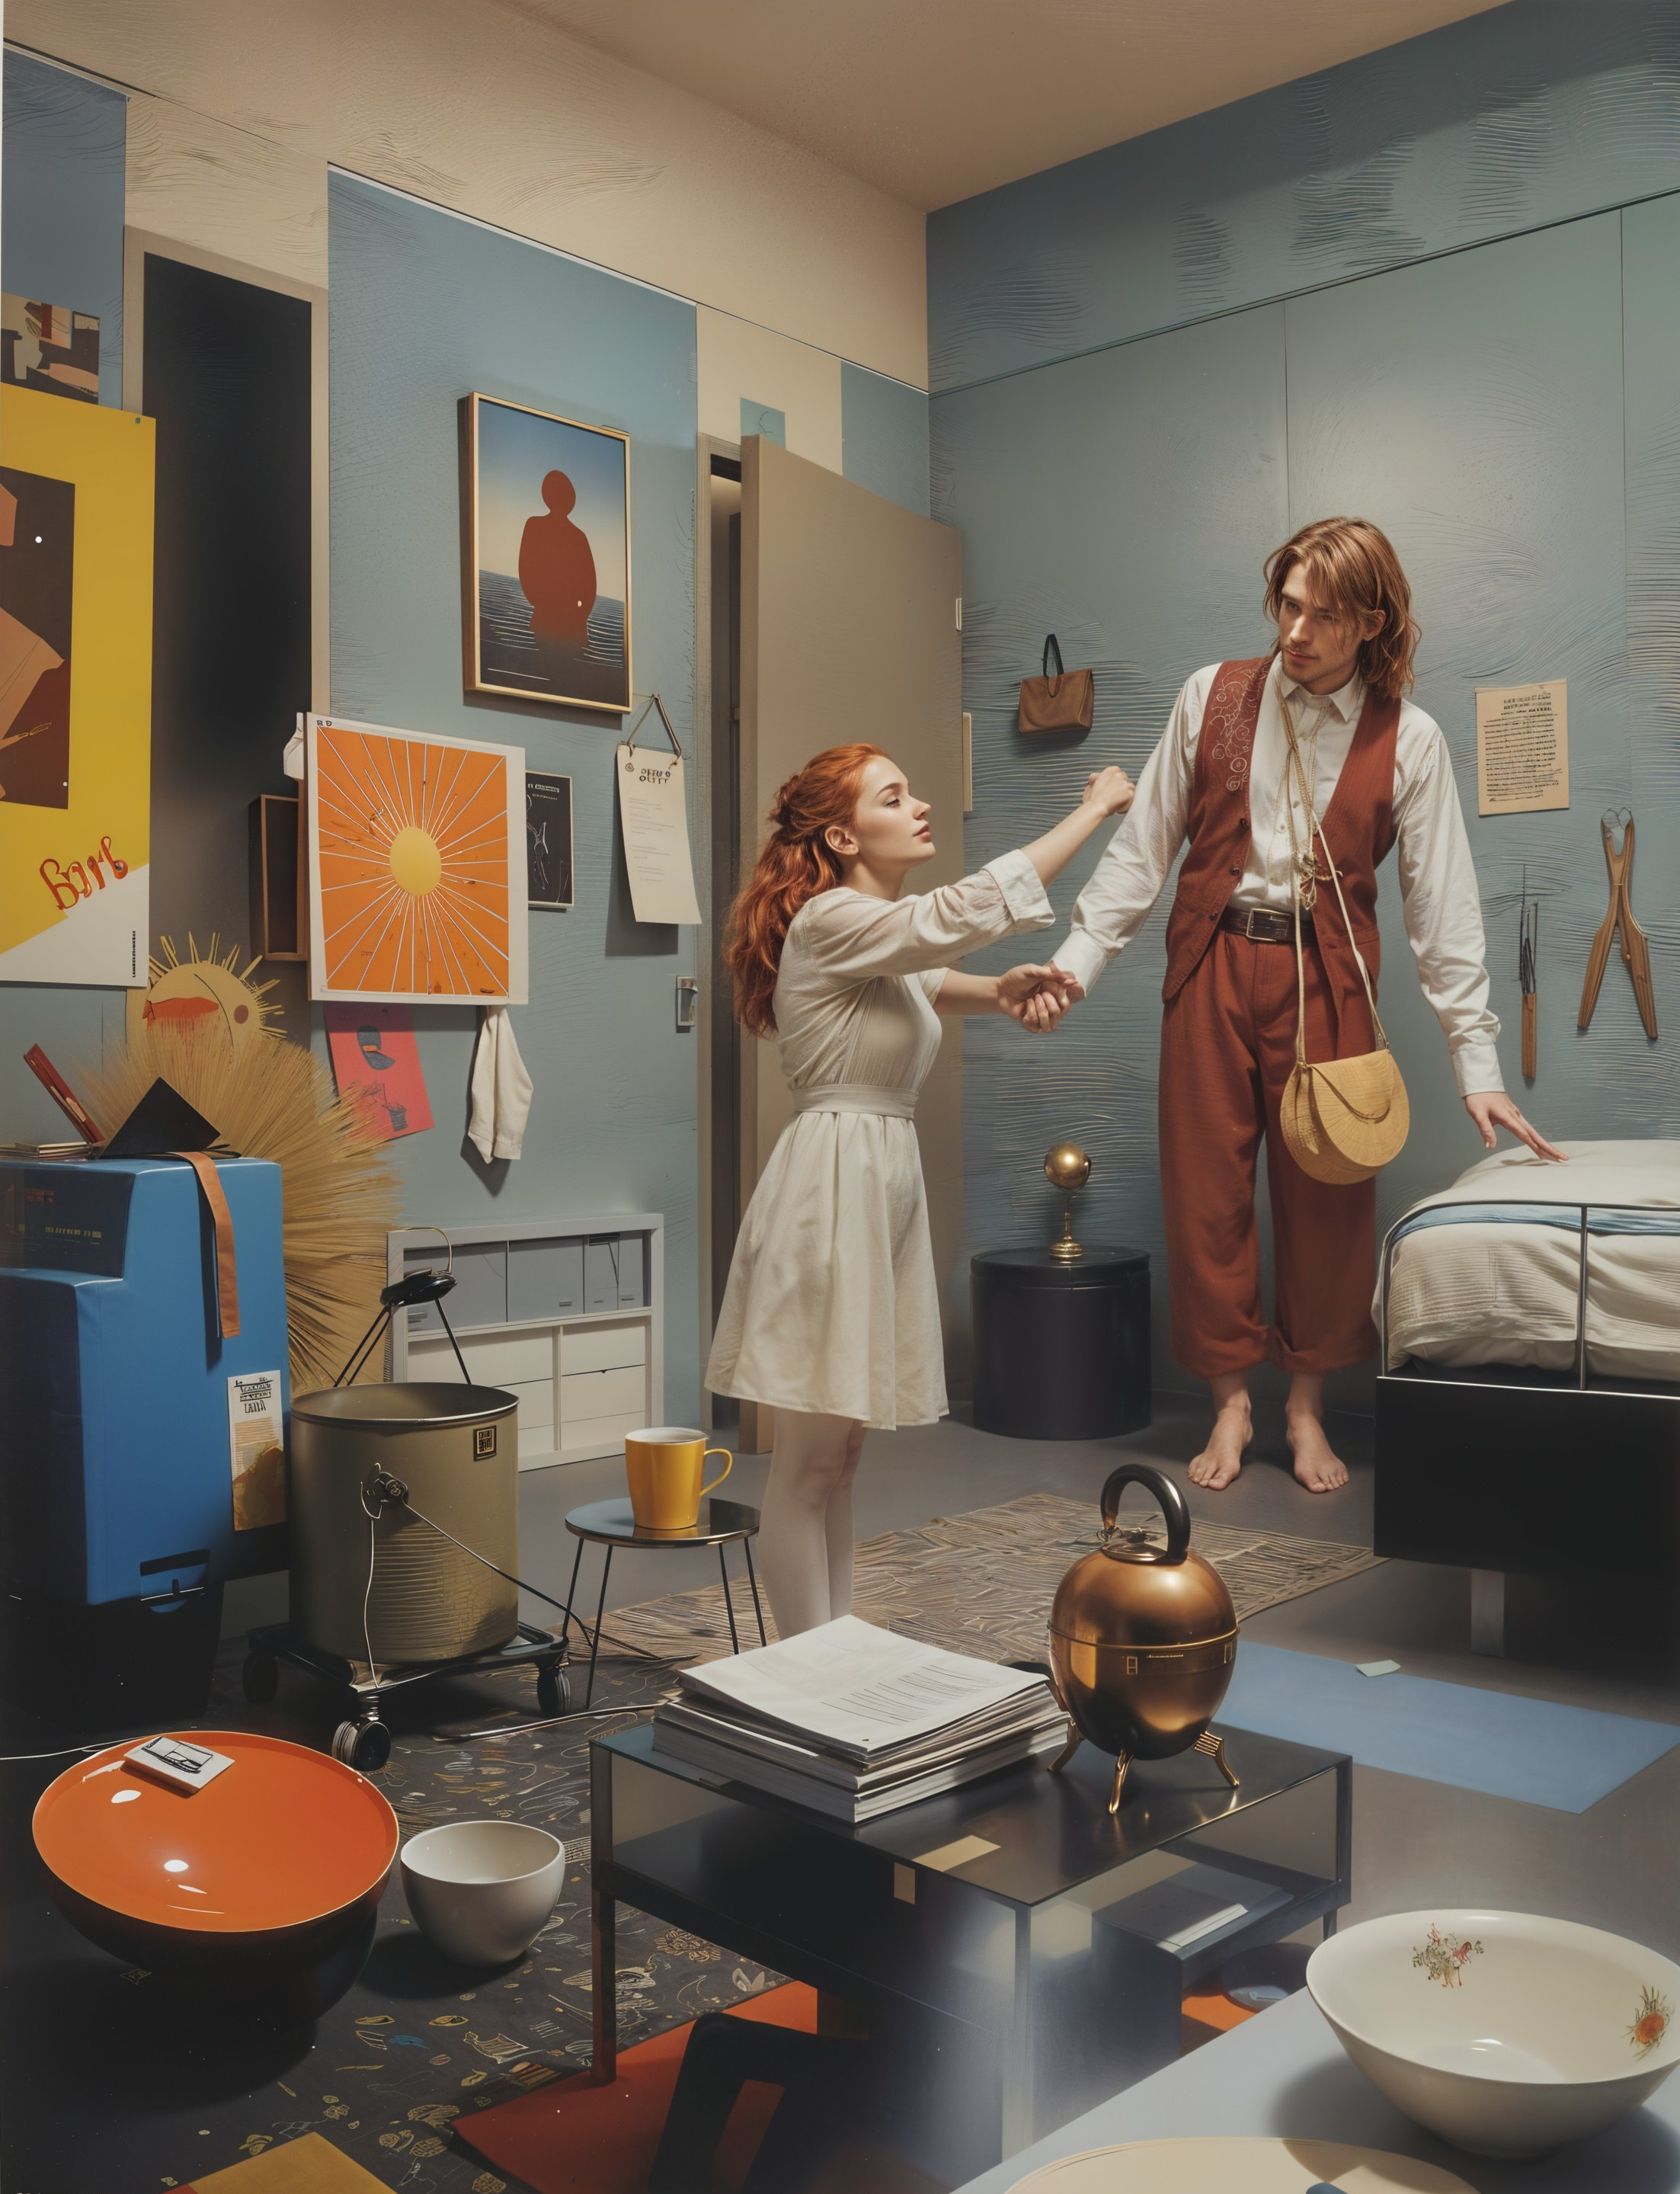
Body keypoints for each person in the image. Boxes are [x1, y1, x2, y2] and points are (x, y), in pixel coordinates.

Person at [1052, 517, 1564, 1495]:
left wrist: (1478, 1066)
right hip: (1209, 961)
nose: (1297, 630)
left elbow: (1443, 910)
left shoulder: (1408, 737)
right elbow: (1143, 847)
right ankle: (1232, 1402)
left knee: (1328, 1202)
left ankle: (1305, 1406)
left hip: (1327, 980)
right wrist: (1078, 963)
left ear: (1373, 621)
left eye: (1325, 615)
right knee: (1205, 1194)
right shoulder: (1211, 693)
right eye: (1288, 603)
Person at [708, 742, 1134, 1636]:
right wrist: (1093, 812)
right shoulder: (830, 918)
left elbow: (934, 977)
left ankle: (835, 1641)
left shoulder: (876, 932)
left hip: (872, 1184)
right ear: (840, 833)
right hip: (831, 1190)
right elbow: (964, 911)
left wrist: (1005, 988)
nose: (920, 806)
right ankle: (805, 1670)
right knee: (809, 1462)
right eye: (894, 797)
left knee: (843, 1453)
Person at [518, 469, 596, 645]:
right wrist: (579, 616)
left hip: (559, 618)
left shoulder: (576, 536)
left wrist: (541, 602)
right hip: (561, 618)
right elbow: (590, 586)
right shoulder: (577, 536)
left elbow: (589, 584)